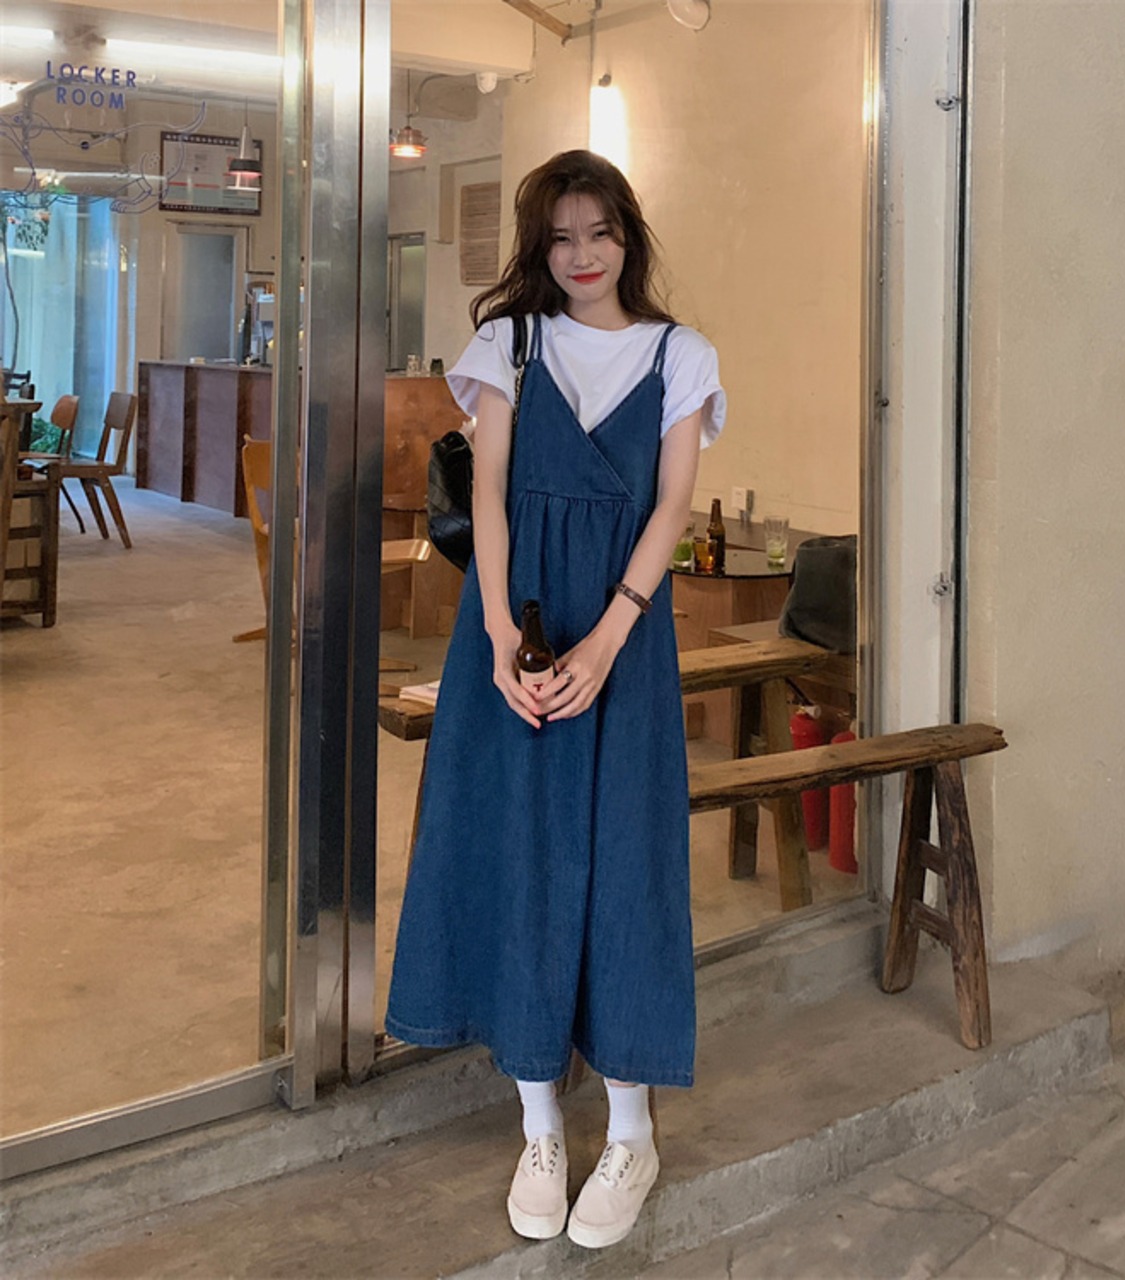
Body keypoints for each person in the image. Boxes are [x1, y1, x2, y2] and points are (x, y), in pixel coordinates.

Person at [385, 149, 726, 1250]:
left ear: (628, 236)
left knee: (626, 864)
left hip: (624, 640)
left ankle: (630, 1131)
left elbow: (672, 507)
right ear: (539, 248)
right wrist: (496, 635)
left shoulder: (680, 354)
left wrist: (611, 636)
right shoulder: (509, 345)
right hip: (516, 636)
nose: (581, 256)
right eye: (560, 238)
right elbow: (485, 495)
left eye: (600, 233)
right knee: (518, 854)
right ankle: (538, 1125)